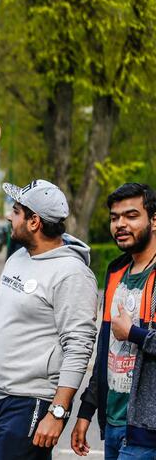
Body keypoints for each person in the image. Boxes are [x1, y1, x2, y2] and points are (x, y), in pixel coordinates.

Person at [0, 179, 99, 460]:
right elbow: (0, 323)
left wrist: (57, 412)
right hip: (4, 398)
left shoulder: (72, 274)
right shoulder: (18, 258)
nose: (10, 216)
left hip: (32, 402)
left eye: (16, 210)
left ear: (34, 221)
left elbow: (79, 346)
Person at [72, 183, 156, 459]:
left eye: (131, 216)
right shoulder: (116, 270)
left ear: (153, 220)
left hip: (148, 431)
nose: (120, 224)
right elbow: (105, 347)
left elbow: (128, 335)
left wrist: (133, 333)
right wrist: (87, 410)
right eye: (114, 217)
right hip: (114, 424)